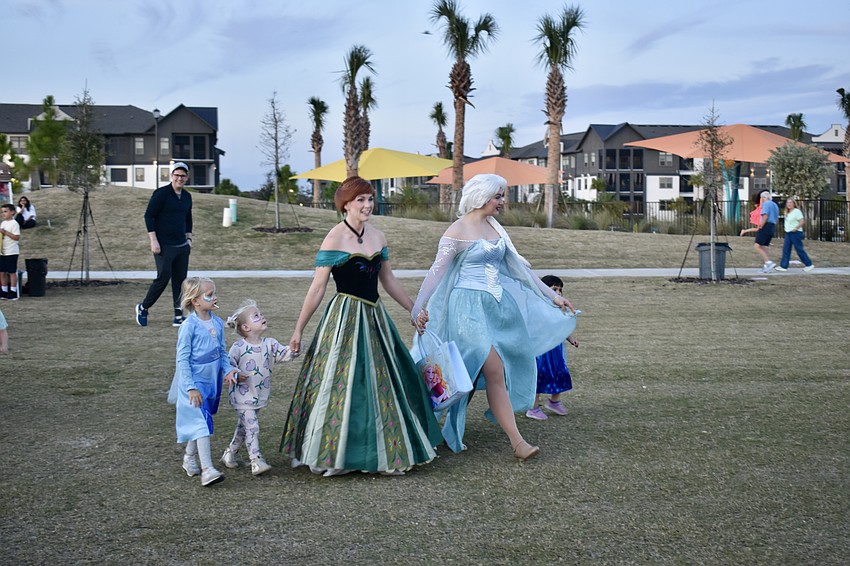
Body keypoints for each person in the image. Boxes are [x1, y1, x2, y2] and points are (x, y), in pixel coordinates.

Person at [280, 176, 442, 477]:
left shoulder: (378, 236)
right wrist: (298, 329)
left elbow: (388, 279)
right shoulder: (333, 238)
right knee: (340, 383)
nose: (368, 205)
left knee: (382, 382)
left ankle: (385, 450)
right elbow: (317, 287)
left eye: (370, 199)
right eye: (361, 200)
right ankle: (335, 455)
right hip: (344, 317)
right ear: (345, 204)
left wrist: (413, 308)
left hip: (375, 316)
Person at [412, 174, 578, 461]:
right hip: (467, 310)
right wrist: (418, 307)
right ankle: (518, 442)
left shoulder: (496, 228)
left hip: (499, 308)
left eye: (503, 196)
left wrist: (553, 297)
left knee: (474, 372)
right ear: (482, 196)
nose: (502, 202)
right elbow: (436, 272)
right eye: (498, 196)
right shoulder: (456, 231)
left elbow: (520, 270)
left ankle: (441, 425)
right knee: (494, 369)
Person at [167, 277, 240, 487]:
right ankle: (207, 470)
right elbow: (182, 359)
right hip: (194, 382)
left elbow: (222, 351)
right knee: (202, 422)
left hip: (211, 381)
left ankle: (189, 457)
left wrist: (228, 369)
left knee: (202, 420)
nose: (215, 297)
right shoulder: (188, 326)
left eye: (214, 293)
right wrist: (190, 387)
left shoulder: (217, 322)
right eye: (209, 295)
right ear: (195, 301)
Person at [222, 300, 297, 476]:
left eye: (260, 314)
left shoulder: (270, 344)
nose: (262, 316)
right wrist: (234, 373)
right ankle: (256, 460)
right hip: (242, 396)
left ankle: (230, 453)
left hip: (259, 395)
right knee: (252, 427)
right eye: (256, 316)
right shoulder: (238, 347)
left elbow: (284, 354)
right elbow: (228, 365)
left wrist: (294, 349)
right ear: (246, 327)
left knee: (244, 427)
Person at [135, 162, 193, 327]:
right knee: (163, 277)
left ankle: (178, 315)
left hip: (181, 245)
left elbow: (188, 218)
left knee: (180, 281)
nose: (179, 178)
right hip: (164, 245)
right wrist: (153, 240)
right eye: (177, 175)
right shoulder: (161, 194)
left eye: (183, 176)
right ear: (171, 176)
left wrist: (189, 239)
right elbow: (149, 216)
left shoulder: (187, 196)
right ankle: (143, 308)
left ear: (187, 177)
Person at [526, 275, 579, 421]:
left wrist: (571, 339)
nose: (558, 293)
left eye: (560, 290)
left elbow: (563, 327)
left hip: (556, 351)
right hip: (542, 351)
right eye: (554, 289)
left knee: (560, 373)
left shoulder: (559, 308)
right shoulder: (537, 307)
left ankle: (554, 401)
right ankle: (533, 408)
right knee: (540, 376)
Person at [774, 197, 814, 272]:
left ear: (794, 204)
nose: (789, 204)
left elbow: (802, 221)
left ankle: (809, 264)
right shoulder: (787, 212)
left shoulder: (797, 211)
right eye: (788, 202)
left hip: (796, 233)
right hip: (788, 233)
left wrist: (796, 228)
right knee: (786, 249)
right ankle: (783, 266)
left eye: (790, 202)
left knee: (799, 249)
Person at [753, 191, 780, 273]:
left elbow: (765, 215)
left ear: (763, 198)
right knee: (764, 246)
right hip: (772, 226)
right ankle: (767, 266)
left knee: (757, 246)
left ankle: (768, 262)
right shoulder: (775, 205)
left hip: (766, 226)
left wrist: (761, 225)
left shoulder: (766, 204)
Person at [0, 204, 21, 300]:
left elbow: (16, 237)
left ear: (12, 212)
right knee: (2, 272)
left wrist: (5, 232)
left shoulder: (14, 223)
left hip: (11, 251)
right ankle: (4, 290)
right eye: (2, 212)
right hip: (2, 251)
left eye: (5, 211)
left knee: (12, 272)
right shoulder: (3, 223)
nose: (3, 214)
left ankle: (13, 291)